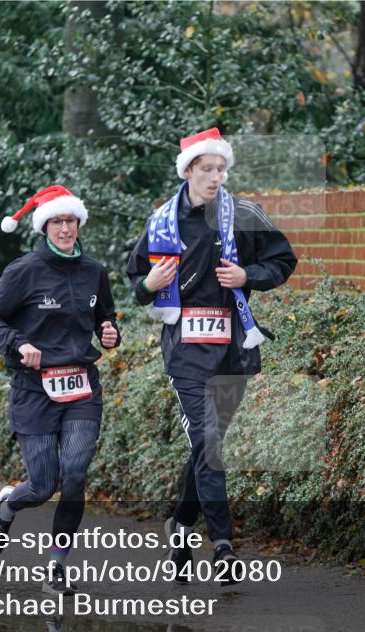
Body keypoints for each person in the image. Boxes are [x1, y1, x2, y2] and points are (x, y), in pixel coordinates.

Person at [126, 128, 297, 584]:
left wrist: (247, 275)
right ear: (188, 171)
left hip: (232, 350)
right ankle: (222, 546)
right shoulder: (162, 221)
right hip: (184, 352)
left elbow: (283, 261)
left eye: (221, 169)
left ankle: (180, 527)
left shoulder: (242, 213)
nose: (216, 177)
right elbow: (136, 283)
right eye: (207, 169)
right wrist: (149, 286)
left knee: (207, 448)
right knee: (210, 445)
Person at [0, 185, 120, 595]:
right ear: (44, 227)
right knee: (43, 485)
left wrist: (110, 333)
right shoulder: (24, 270)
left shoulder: (94, 271)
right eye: (56, 221)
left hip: (80, 388)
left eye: (70, 220)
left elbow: (105, 319)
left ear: (78, 223)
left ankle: (57, 565)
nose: (64, 228)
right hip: (34, 390)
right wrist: (18, 344)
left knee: (74, 474)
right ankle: (8, 506)